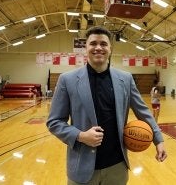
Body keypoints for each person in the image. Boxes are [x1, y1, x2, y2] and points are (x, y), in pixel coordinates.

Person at [46, 26, 167, 185]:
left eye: (103, 44)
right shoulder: (67, 79)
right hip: (82, 167)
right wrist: (81, 136)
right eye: (93, 43)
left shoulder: (125, 78)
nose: (98, 47)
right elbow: (54, 122)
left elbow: (143, 112)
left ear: (110, 49)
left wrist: (158, 140)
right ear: (86, 49)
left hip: (117, 167)